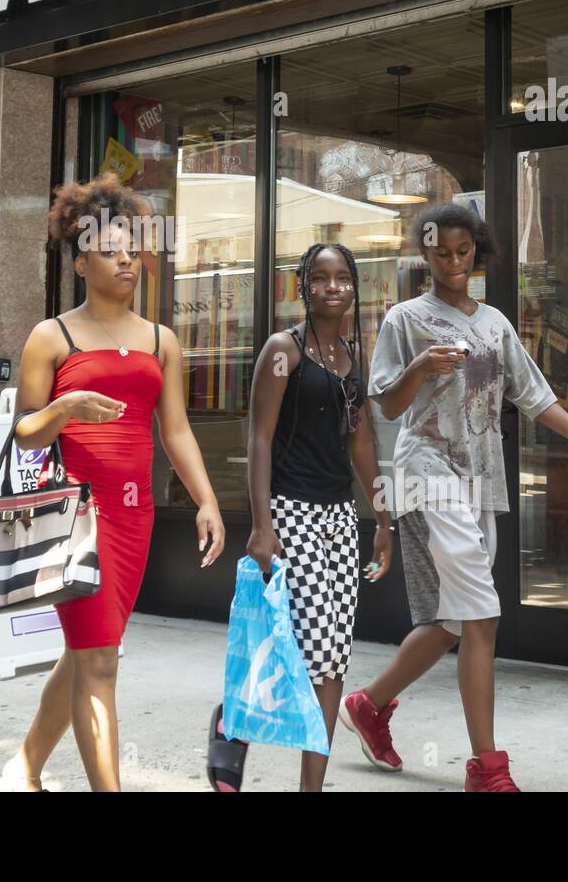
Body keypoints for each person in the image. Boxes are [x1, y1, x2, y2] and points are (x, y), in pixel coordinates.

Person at [340, 203, 568, 792]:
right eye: (441, 252)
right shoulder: (405, 319)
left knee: (454, 621)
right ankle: (487, 769)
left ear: (479, 251)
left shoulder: (496, 323)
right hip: (428, 472)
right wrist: (421, 366)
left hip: (482, 479)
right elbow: (387, 406)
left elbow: (535, 396)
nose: (453, 263)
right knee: (484, 614)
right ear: (424, 254)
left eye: (464, 251)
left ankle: (369, 706)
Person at [4, 174, 226, 792]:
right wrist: (65, 407)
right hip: (74, 517)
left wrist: (207, 499)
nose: (127, 257)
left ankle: (22, 767)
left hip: (136, 516)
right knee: (99, 660)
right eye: (109, 248)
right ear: (80, 261)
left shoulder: (162, 340)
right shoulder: (52, 336)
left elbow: (175, 432)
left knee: (86, 654)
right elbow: (24, 432)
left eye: (133, 246)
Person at [206, 243, 394, 792]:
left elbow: (361, 441)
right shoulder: (282, 349)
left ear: (355, 287)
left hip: (339, 519)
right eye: (320, 278)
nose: (333, 287)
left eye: (343, 279)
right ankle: (231, 722)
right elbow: (259, 438)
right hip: (292, 513)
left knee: (333, 656)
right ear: (302, 286)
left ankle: (310, 786)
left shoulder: (354, 356)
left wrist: (383, 520)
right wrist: (262, 525)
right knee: (307, 650)